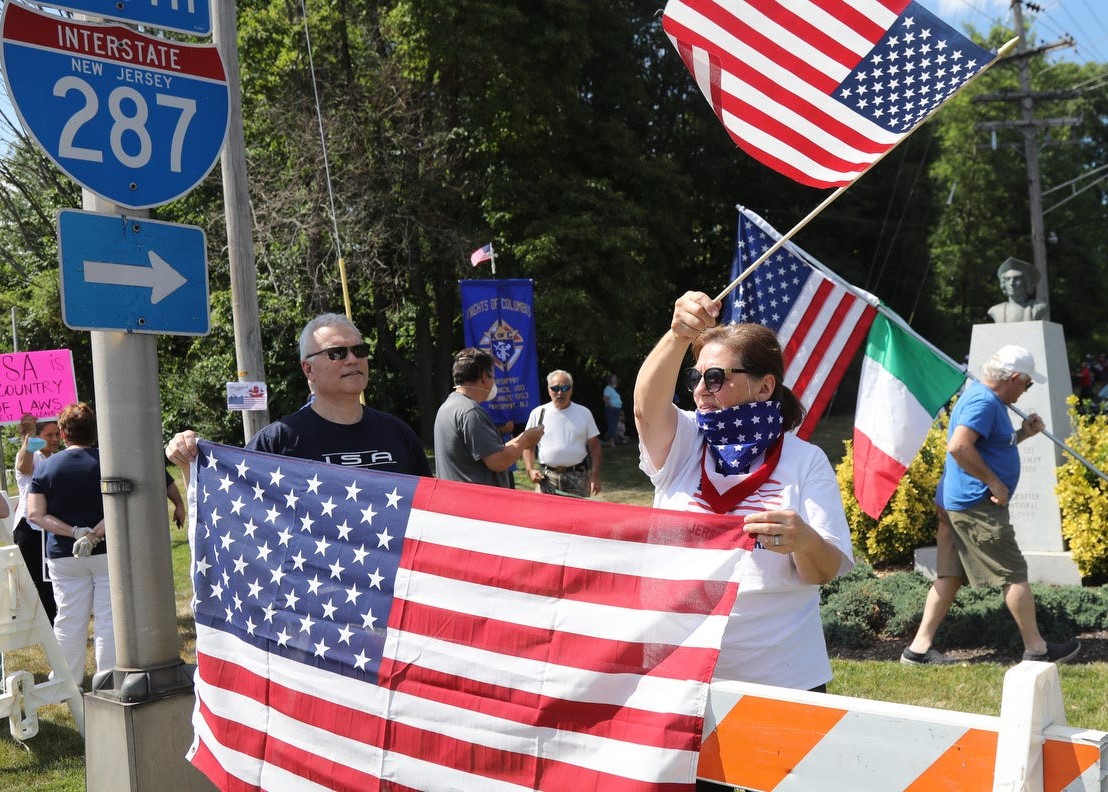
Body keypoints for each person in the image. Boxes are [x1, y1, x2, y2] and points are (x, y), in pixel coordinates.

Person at [634, 291, 854, 792]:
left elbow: (823, 570)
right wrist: (677, 336)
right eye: (696, 378)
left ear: (764, 386)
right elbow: (646, 409)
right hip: (682, 674)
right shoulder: (685, 441)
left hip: (781, 677)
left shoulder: (805, 461)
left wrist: (803, 541)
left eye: (716, 378)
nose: (701, 390)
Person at [902, 345, 1080, 666]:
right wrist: (994, 482)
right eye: (1027, 384)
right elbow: (959, 446)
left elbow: (990, 444)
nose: (1026, 391)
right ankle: (1037, 649)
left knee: (949, 576)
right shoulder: (984, 402)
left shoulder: (983, 397)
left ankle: (918, 650)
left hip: (957, 502)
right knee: (1013, 574)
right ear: (1014, 378)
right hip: (976, 506)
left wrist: (1023, 434)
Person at [167, 313, 432, 483]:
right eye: (337, 353)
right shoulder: (277, 442)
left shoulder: (398, 433)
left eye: (359, 350)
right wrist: (189, 463)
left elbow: (431, 515)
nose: (353, 359)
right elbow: (228, 512)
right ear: (308, 369)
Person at [26, 403, 111, 686]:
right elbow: (120, 505)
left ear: (63, 434)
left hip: (63, 555)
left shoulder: (46, 467)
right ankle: (108, 679)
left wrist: (75, 532)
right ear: (94, 432)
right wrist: (94, 533)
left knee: (68, 619)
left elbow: (35, 514)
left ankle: (65, 681)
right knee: (108, 618)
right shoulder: (109, 461)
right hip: (106, 551)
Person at [433, 348, 543, 487]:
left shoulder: (448, 406)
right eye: (493, 377)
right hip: (475, 499)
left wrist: (522, 437)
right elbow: (498, 462)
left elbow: (491, 450)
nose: (493, 383)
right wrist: (526, 440)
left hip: (455, 496)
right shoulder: (471, 412)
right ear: (484, 377)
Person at [12, 413, 61, 623]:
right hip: (30, 529)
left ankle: (55, 626)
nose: (55, 439)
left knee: (53, 581)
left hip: (50, 527)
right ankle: (45, 628)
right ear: (37, 437)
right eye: (49, 435)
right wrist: (30, 435)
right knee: (39, 585)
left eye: (57, 433)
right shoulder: (31, 454)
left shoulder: (56, 458)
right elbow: (24, 466)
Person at [522, 370, 602, 497]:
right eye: (555, 388)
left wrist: (595, 475)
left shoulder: (584, 413)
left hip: (577, 477)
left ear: (571, 390)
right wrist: (530, 469)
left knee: (578, 510)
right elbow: (528, 445)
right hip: (547, 478)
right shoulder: (538, 413)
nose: (560, 392)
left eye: (565, 388)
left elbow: (595, 446)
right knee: (546, 510)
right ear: (548, 390)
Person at [987, 258, 1049, 323]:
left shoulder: (1037, 307)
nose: (1011, 283)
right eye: (1008, 279)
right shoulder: (996, 310)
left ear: (1027, 283)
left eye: (1016, 279)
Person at [602, 373, 624, 446]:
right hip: (611, 409)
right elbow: (605, 399)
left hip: (616, 409)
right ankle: (611, 441)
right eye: (614, 378)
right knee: (612, 425)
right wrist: (611, 406)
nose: (616, 379)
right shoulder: (608, 388)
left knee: (614, 425)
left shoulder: (613, 389)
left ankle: (612, 440)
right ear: (610, 380)